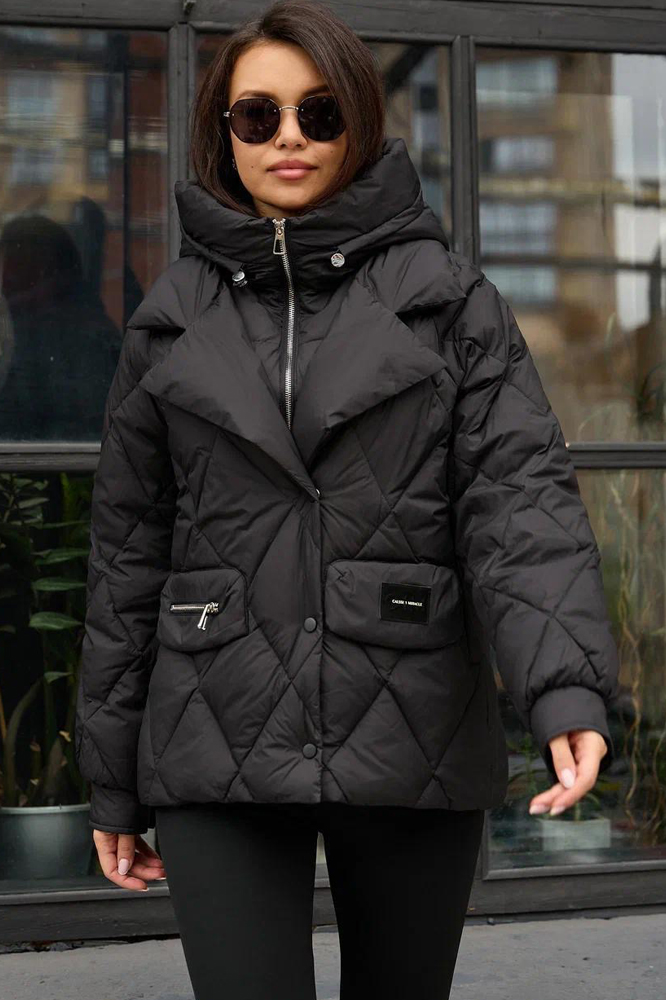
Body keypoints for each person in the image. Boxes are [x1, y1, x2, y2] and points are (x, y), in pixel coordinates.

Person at [74, 2, 620, 998]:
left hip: (408, 711)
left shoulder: (451, 302)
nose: (288, 137)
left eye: (319, 113)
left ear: (359, 121)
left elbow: (518, 505)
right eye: (259, 115)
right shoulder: (170, 319)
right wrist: (112, 777)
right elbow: (129, 555)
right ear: (224, 132)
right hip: (214, 721)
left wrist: (564, 689)